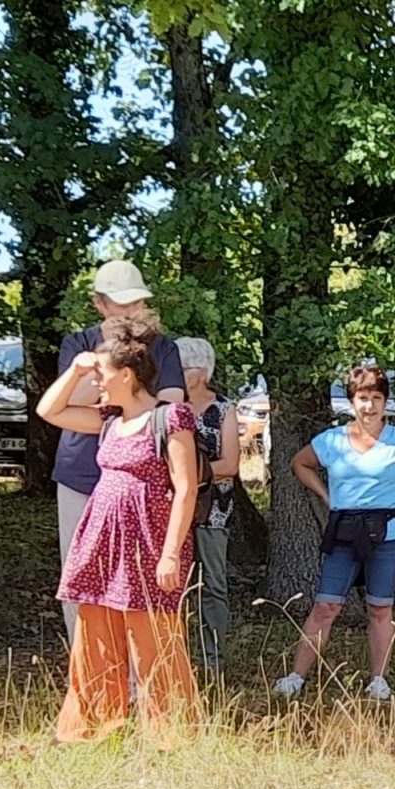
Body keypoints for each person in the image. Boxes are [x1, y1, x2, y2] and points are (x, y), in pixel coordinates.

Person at [35, 315, 202, 745]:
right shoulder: (109, 420)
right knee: (95, 630)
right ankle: (96, 724)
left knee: (153, 634)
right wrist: (76, 370)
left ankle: (169, 731)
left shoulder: (172, 419)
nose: (100, 384)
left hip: (149, 541)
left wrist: (170, 553)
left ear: (127, 375)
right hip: (103, 541)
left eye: (105, 376)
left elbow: (185, 490)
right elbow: (48, 410)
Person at [275, 362, 395, 702]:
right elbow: (300, 463)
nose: (369, 405)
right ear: (351, 401)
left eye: (376, 397)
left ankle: (378, 681)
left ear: (386, 402)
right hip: (344, 531)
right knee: (326, 606)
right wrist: (327, 496)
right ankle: (296, 677)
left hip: (387, 533)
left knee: (380, 608)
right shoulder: (331, 441)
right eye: (361, 397)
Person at [51, 260, 185, 645]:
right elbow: (66, 407)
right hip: (81, 476)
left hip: (143, 480)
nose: (129, 312)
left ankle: (135, 671)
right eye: (120, 304)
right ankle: (89, 672)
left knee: (136, 575)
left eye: (136, 303)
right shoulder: (79, 345)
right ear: (99, 305)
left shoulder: (164, 347)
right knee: (79, 573)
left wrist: (122, 383)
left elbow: (172, 406)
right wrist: (107, 359)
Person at [175, 336, 239, 674]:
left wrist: (189, 472)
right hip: (171, 508)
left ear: (200, 372)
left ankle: (212, 661)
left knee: (213, 583)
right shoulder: (167, 408)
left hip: (212, 508)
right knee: (174, 582)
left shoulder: (224, 409)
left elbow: (230, 464)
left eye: (180, 367)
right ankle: (176, 658)